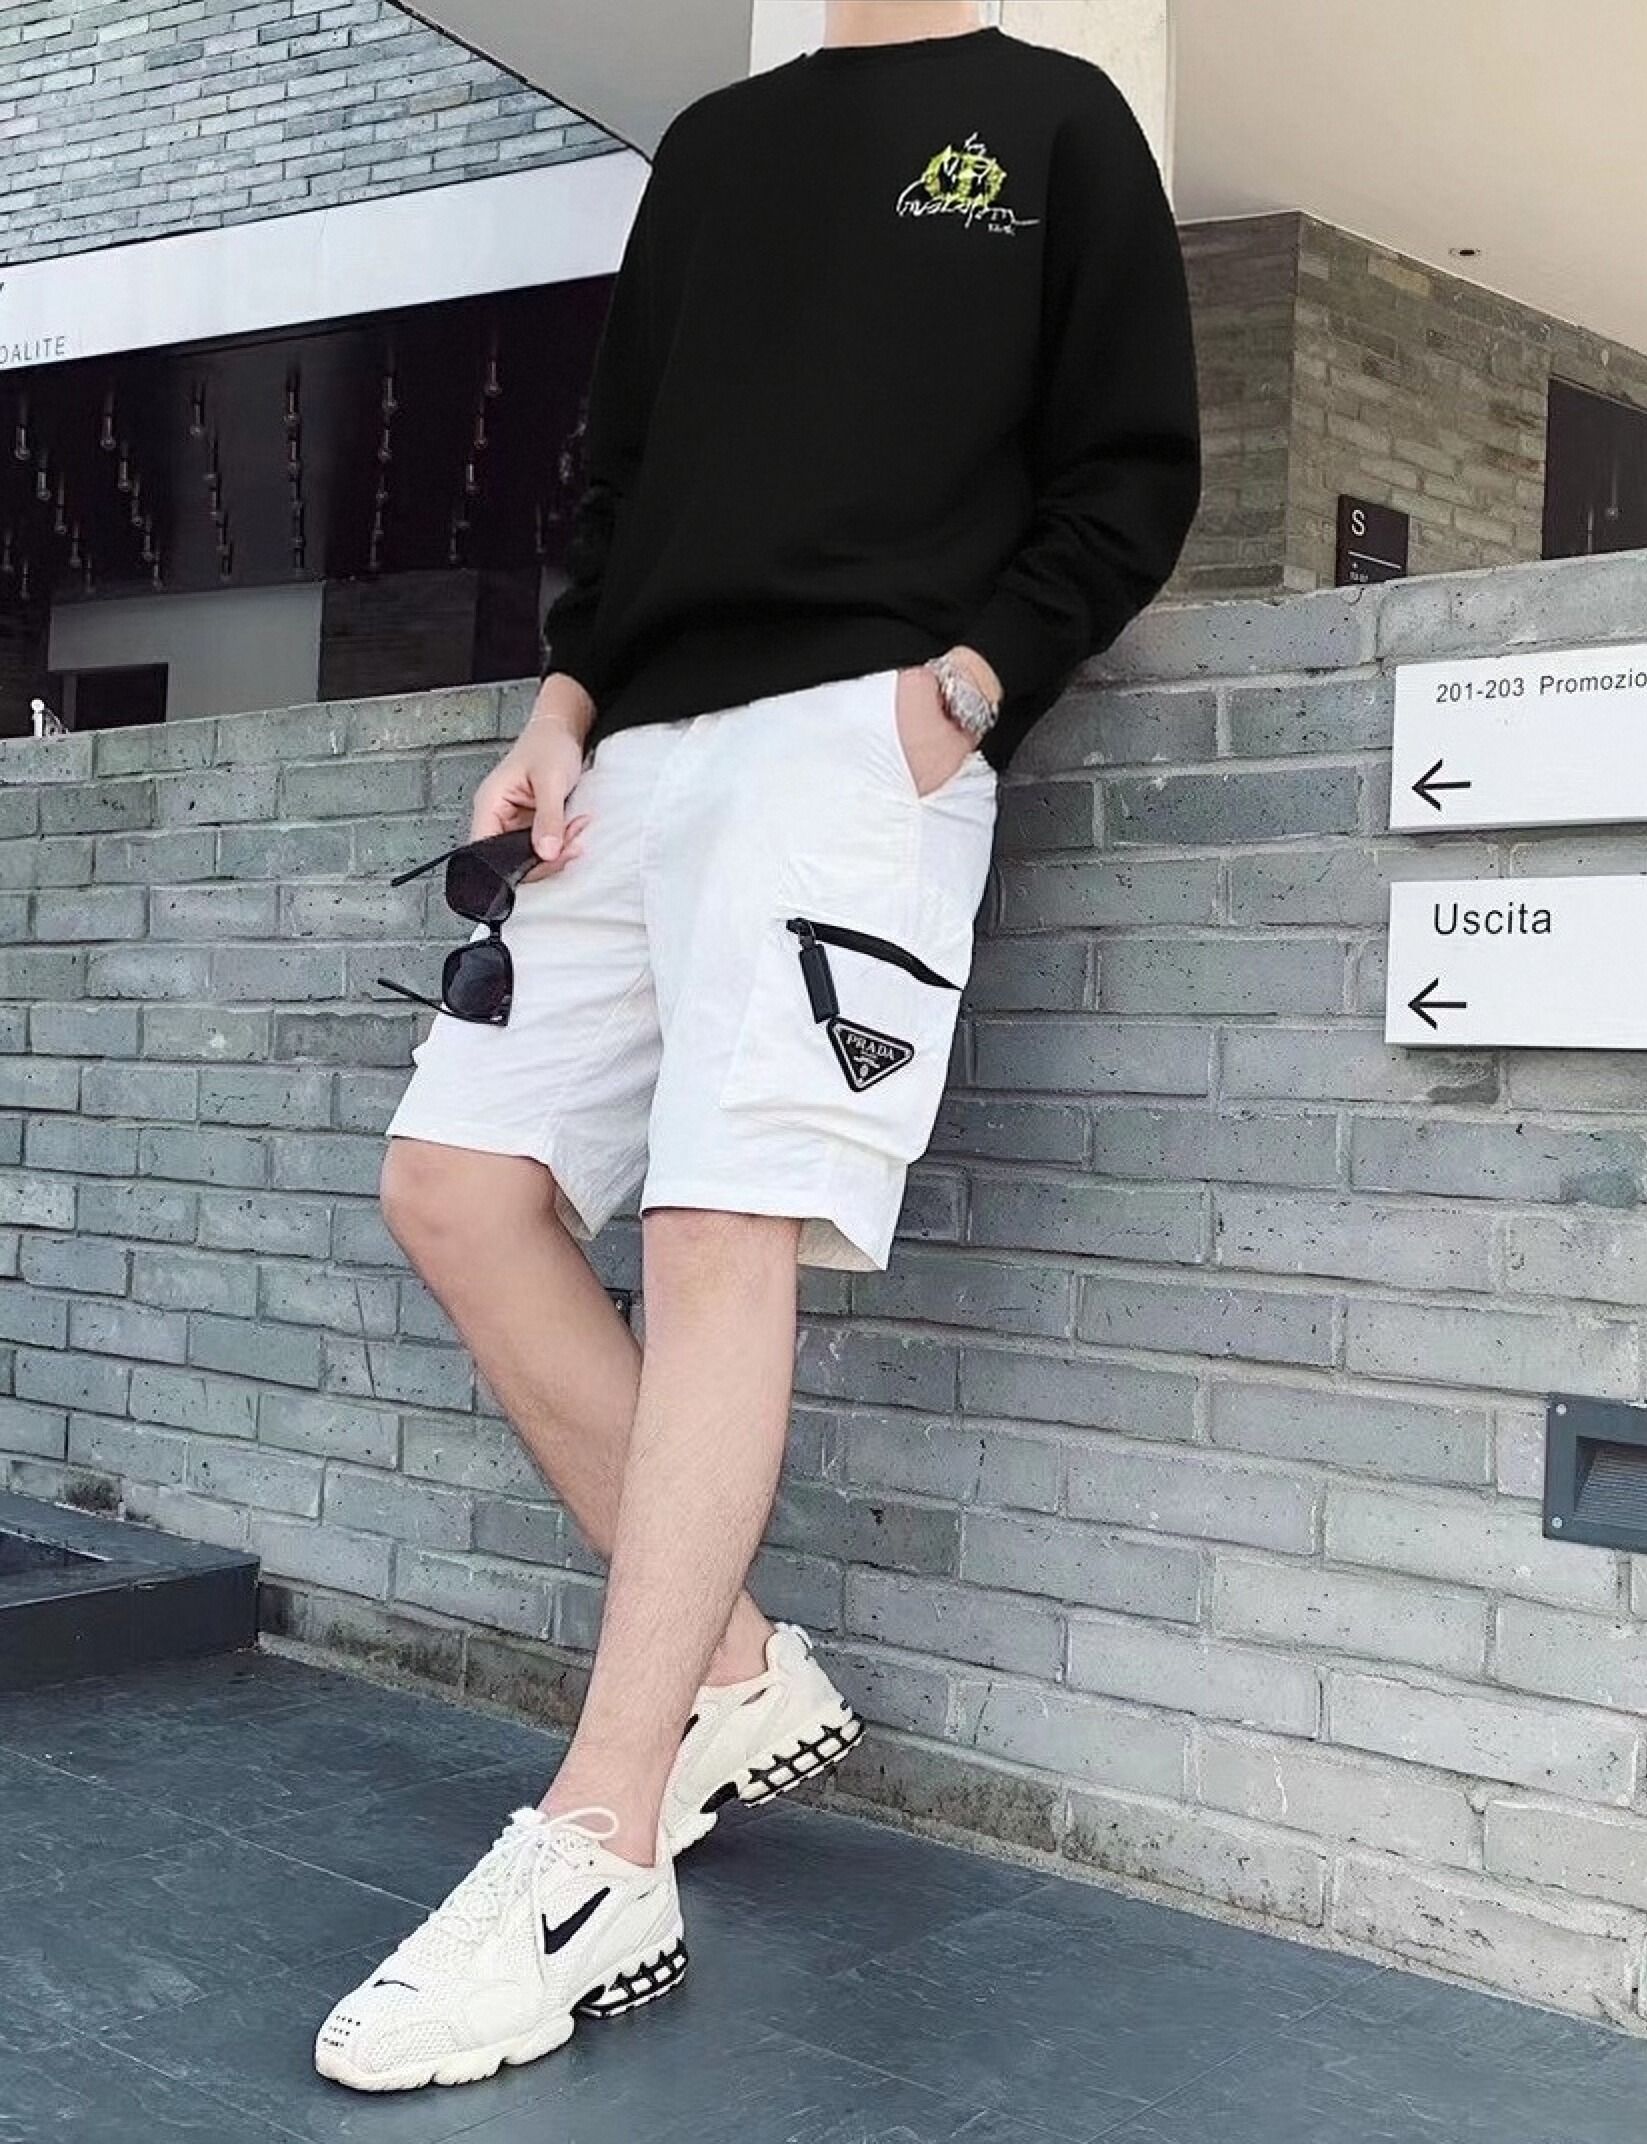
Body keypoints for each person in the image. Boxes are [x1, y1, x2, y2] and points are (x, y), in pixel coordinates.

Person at [314, 0, 1202, 2093]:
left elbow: (1133, 467)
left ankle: (603, 1847)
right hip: (630, 754)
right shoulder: (717, 149)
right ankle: (727, 1669)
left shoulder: (1053, 119)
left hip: (855, 754)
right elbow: (621, 478)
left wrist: (960, 694)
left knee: (724, 1227)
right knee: (454, 1185)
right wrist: (559, 709)